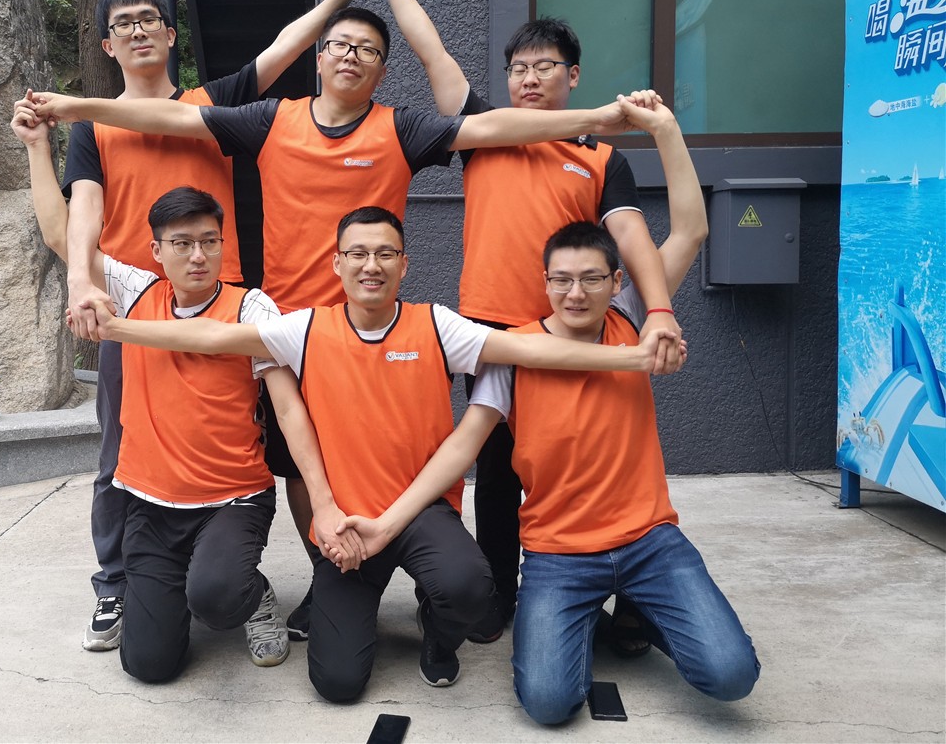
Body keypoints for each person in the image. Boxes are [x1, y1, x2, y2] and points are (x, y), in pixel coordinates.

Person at [29, 0, 655, 641]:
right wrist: (76, 110)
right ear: (320, 57)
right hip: (294, 331)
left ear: (382, 69)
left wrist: (603, 119)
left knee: (405, 455)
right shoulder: (272, 119)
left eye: (368, 51)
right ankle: (331, 566)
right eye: (340, 45)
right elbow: (172, 118)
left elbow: (488, 127)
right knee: (301, 466)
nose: (352, 56)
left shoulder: (400, 129)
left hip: (373, 328)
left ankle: (435, 576)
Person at [71, 197, 680, 703]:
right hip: (348, 521)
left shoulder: (436, 325)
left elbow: (531, 349)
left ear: (404, 264)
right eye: (358, 253)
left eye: (385, 253)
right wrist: (114, 329)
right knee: (336, 684)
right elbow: (211, 335)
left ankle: (437, 636)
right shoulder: (305, 328)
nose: (371, 265)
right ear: (336, 263)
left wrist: (634, 357)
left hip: (419, 511)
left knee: (471, 587)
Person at [335, 97, 759, 725]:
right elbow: (462, 446)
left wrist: (665, 129)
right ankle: (588, 616)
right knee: (549, 702)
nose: (575, 293)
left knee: (730, 675)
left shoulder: (633, 322)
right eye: (560, 279)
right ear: (544, 282)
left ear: (618, 283)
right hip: (559, 555)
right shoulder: (514, 353)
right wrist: (386, 523)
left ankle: (643, 610)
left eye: (592, 279)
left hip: (649, 541)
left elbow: (691, 231)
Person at [61, 0, 387, 652]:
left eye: (150, 20)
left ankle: (234, 566)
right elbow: (82, 209)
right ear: (108, 45)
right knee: (119, 453)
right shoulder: (91, 125)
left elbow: (287, 47)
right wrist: (84, 280)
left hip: (223, 305)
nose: (139, 31)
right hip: (133, 305)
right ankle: (117, 584)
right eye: (123, 24)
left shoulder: (213, 104)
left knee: (247, 437)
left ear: (171, 34)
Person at [371, 0, 682, 637]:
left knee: (582, 460)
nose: (529, 79)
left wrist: (659, 310)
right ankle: (499, 596)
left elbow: (633, 241)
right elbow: (431, 52)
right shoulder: (484, 131)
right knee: (496, 472)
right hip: (490, 334)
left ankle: (613, 588)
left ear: (574, 75)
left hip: (571, 332)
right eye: (518, 69)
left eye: (545, 67)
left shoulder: (601, 158)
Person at [16, 100, 343, 681]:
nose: (199, 256)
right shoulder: (136, 289)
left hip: (233, 499)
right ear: (156, 251)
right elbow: (60, 235)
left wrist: (322, 501)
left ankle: (250, 594)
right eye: (183, 243)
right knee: (149, 665)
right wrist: (38, 148)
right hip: (152, 502)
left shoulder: (253, 306)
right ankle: (192, 588)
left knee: (215, 598)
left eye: (210, 242)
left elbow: (287, 408)